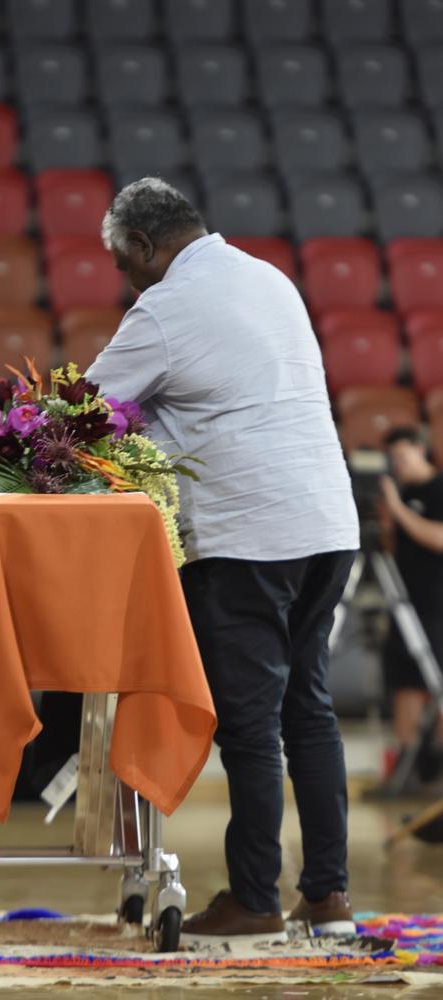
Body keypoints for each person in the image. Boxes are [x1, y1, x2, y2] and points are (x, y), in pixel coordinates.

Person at [86, 178, 360, 945]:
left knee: (251, 725)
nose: (122, 277)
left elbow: (84, 413)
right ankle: (329, 897)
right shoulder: (266, 276)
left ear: (143, 246)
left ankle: (254, 901)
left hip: (249, 537)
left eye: (120, 260)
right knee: (309, 710)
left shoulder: (166, 307)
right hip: (328, 522)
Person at [380, 427, 443, 784]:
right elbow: (394, 547)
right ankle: (407, 766)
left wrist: (398, 510)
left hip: (436, 602)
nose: (397, 466)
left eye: (402, 457)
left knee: (435, 676)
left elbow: (439, 538)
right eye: (393, 460)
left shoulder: (438, 488)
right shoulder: (402, 491)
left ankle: (437, 762)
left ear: (422, 449)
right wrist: (389, 520)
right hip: (403, 598)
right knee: (404, 677)